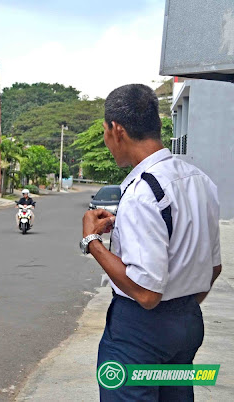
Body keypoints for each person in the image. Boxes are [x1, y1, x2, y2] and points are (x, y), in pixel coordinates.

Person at [81, 84, 221, 401]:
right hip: (186, 325)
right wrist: (180, 307)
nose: (106, 140)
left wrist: (92, 241)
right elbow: (215, 266)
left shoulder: (143, 193)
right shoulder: (200, 181)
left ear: (116, 130)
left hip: (140, 334)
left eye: (105, 131)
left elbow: (145, 293)